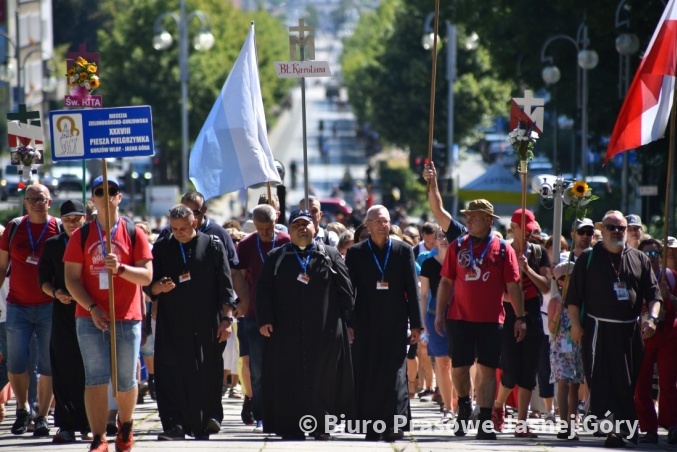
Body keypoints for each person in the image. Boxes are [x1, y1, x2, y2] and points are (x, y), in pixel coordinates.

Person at [64, 176, 153, 452]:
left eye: (111, 190)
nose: (106, 195)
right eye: (99, 191)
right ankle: (98, 437)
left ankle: (126, 427)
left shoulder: (133, 231)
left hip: (127, 315)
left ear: (119, 197)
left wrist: (122, 269)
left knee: (126, 380)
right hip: (90, 316)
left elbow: (148, 276)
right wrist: (91, 307)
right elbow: (71, 279)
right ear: (93, 199)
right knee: (96, 379)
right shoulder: (82, 235)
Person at [566, 211, 662, 448]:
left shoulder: (639, 259)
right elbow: (573, 298)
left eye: (621, 228)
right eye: (611, 227)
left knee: (626, 384)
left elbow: (654, 295)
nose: (616, 232)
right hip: (597, 331)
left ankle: (622, 429)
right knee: (601, 381)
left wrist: (652, 319)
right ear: (603, 229)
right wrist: (576, 326)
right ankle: (614, 431)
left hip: (629, 333)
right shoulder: (588, 258)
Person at [257, 209, 354, 440]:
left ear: (315, 228)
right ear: (288, 230)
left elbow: (346, 292)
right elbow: (263, 292)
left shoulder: (328, 255)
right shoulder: (276, 257)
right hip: (286, 332)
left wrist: (345, 323)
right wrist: (265, 319)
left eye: (306, 224)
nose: (302, 228)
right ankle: (292, 426)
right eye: (296, 224)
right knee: (289, 378)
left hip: (324, 331)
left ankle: (322, 425)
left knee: (323, 379)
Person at [435, 199, 525, 440]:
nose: (469, 220)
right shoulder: (457, 246)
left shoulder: (503, 249)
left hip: (491, 320)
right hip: (459, 318)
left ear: (488, 220)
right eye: (468, 216)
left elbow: (514, 286)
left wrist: (521, 317)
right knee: (460, 368)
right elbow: (446, 282)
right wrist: (438, 314)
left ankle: (485, 419)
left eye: (474, 216)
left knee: (487, 370)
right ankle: (464, 408)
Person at [147, 204, 235, 440]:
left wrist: (227, 319)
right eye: (174, 228)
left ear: (194, 223)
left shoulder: (213, 245)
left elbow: (226, 287)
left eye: (183, 228)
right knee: (170, 371)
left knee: (205, 373)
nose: (178, 233)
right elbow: (150, 287)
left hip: (206, 321)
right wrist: (159, 287)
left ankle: (202, 423)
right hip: (172, 322)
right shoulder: (163, 247)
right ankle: (174, 425)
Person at [345, 205, 421, 442]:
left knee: (395, 374)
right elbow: (349, 291)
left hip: (395, 323)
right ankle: (371, 426)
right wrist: (348, 323)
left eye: (386, 221)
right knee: (368, 374)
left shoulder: (403, 250)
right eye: (377, 221)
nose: (382, 225)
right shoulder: (356, 253)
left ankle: (395, 424)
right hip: (365, 323)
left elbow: (412, 289)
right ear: (367, 224)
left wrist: (417, 324)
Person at [0, 184, 61, 436]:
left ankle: (43, 415)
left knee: (47, 365)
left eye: (41, 198)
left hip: (49, 306)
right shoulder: (14, 228)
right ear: (24, 202)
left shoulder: (58, 228)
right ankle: (23, 408)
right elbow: (2, 267)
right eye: (32, 198)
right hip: (17, 306)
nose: (36, 202)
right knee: (15, 362)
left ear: (50, 202)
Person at [233, 204, 291, 433]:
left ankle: (284, 411)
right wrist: (244, 300)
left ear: (276, 220)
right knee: (257, 369)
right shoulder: (247, 245)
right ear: (254, 225)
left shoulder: (286, 241)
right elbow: (240, 275)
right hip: (254, 315)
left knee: (284, 366)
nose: (266, 233)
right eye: (261, 229)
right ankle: (261, 415)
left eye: (270, 228)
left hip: (283, 315)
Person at [493, 209, 550, 438]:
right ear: (513, 228)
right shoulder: (501, 251)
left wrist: (527, 269)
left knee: (529, 371)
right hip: (508, 313)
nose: (528, 235)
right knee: (510, 369)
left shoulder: (538, 253)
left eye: (531, 231)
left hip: (533, 312)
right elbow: (497, 289)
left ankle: (521, 422)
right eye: (524, 231)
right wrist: (515, 304)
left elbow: (546, 286)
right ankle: (498, 406)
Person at [38, 200, 89, 443]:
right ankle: (66, 425)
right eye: (66, 219)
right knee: (64, 368)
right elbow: (44, 281)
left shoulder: (92, 242)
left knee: (89, 370)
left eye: (76, 219)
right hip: (63, 313)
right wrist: (55, 293)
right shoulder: (53, 245)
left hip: (90, 312)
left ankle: (91, 422)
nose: (71, 224)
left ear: (84, 219)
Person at [634, 238, 677, 444]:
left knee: (668, 383)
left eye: (654, 254)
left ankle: (671, 424)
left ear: (660, 256)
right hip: (643, 337)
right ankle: (648, 428)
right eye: (646, 255)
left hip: (668, 336)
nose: (651, 259)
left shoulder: (671, 277)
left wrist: (671, 298)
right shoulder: (635, 278)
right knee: (641, 385)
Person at [419, 229, 454, 422]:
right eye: (440, 237)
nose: (443, 240)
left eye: (447, 237)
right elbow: (424, 295)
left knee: (461, 364)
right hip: (434, 316)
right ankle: (448, 407)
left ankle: (461, 403)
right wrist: (423, 322)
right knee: (442, 363)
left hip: (458, 315)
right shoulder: (428, 264)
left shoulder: (460, 262)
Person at [547, 261, 584, 440]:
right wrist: (556, 314)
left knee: (575, 385)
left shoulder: (581, 300)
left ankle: (572, 423)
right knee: (563, 383)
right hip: (560, 347)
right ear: (560, 281)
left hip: (576, 346)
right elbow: (551, 329)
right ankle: (563, 425)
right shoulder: (555, 301)